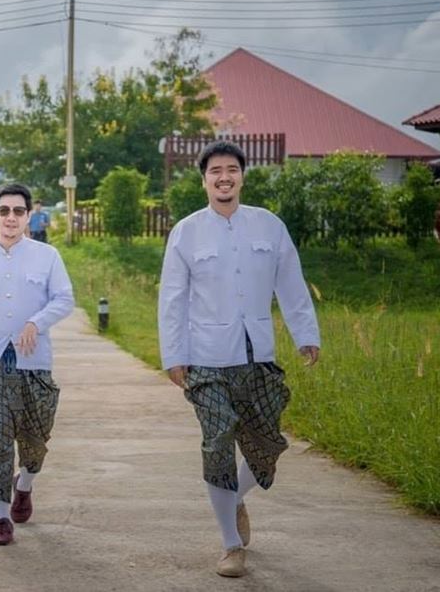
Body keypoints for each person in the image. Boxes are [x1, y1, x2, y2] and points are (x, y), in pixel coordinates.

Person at [157, 141, 320, 578]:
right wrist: (174, 354)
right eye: (215, 171)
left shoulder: (269, 226)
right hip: (206, 358)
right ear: (204, 180)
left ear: (242, 176)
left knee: (267, 445)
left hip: (257, 355)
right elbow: (172, 299)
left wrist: (306, 334)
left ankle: (234, 497)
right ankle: (231, 544)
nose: (224, 177)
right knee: (218, 442)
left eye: (231, 169)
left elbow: (291, 283)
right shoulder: (187, 232)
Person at [0, 183, 74, 546]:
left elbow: (64, 299)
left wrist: (36, 322)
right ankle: (1, 518)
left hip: (33, 364)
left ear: (28, 216)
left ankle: (24, 485)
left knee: (35, 442)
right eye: (4, 211)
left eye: (18, 211)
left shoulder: (47, 256)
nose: (11, 218)